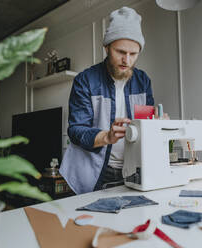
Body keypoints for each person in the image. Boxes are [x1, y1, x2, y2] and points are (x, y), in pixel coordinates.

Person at [60, 6, 154, 194]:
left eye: (133, 54)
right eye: (120, 51)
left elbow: (145, 125)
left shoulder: (143, 81)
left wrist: (157, 127)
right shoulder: (85, 80)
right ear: (106, 47)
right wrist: (107, 137)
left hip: (131, 170)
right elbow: (76, 130)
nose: (126, 60)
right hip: (90, 171)